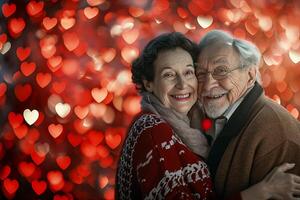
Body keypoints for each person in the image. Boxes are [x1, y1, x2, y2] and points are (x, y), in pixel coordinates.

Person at [116, 32, 300, 200]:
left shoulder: (191, 126)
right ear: (149, 83)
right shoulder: (154, 130)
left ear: (251, 75)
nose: (183, 85)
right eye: (169, 75)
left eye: (189, 72)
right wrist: (260, 193)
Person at [195, 29, 300, 199]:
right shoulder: (213, 119)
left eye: (221, 70)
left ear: (250, 75)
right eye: (200, 73)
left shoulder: (276, 133)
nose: (207, 86)